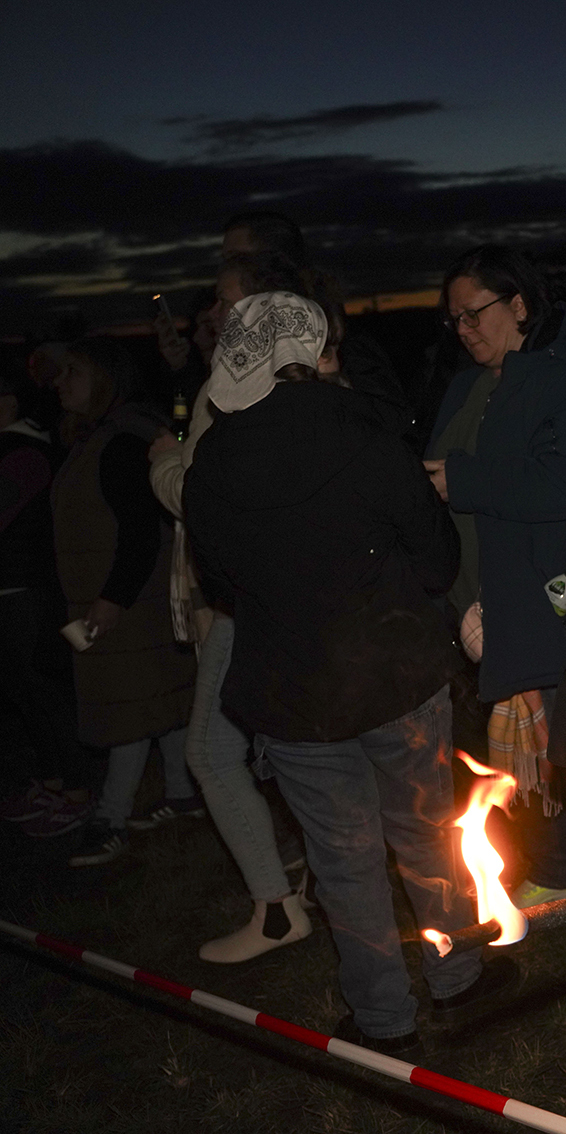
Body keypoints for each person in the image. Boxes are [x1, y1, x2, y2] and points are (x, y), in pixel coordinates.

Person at [185, 291, 513, 1054]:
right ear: (317, 351)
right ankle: (457, 977)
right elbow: (436, 559)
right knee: (427, 834)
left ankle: (383, 1018)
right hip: (395, 674)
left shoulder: (210, 463)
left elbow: (222, 583)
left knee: (342, 858)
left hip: (295, 692)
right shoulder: (366, 434)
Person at [150, 254, 319, 962]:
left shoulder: (253, 404)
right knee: (284, 751)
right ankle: (305, 884)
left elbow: (203, 494)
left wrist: (164, 461)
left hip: (249, 602)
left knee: (212, 752)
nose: (210, 317)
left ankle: (279, 911)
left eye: (223, 303)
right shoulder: (263, 388)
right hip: (262, 598)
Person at [426, 244, 566, 908]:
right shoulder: (470, 383)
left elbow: (563, 484)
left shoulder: (564, 374)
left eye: (475, 314)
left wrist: (461, 482)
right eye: (455, 321)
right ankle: (552, 867)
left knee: (557, 743)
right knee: (515, 746)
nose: (465, 331)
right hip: (478, 600)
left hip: (539, 596)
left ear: (519, 304)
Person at [51, 338, 200, 867]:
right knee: (158, 697)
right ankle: (182, 794)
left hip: (130, 601)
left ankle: (110, 819)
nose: (59, 382)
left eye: (73, 371)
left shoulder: (118, 442)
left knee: (127, 713)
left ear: (104, 379)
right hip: (133, 598)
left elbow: (140, 532)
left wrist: (112, 599)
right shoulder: (99, 438)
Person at [0, 370, 101, 838]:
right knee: (26, 693)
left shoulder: (24, 452)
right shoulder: (25, 448)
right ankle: (57, 783)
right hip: (19, 590)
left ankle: (76, 789)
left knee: (39, 691)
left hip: (24, 591)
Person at [221, 210, 413, 435]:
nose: (225, 268)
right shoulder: (239, 351)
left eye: (236, 258)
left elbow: (390, 421)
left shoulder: (338, 338)